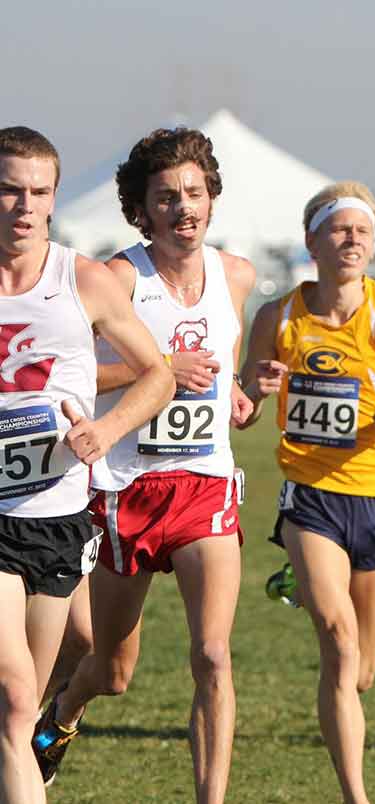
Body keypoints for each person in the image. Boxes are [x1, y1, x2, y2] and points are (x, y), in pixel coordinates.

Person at [32, 127, 256, 804]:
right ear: (142, 209)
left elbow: (225, 364)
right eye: (167, 197)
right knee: (111, 668)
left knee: (212, 654)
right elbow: (74, 373)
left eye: (194, 192)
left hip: (205, 484)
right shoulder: (121, 277)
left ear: (211, 197)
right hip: (127, 490)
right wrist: (155, 371)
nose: (184, 207)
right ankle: (65, 713)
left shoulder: (236, 275)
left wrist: (237, 389)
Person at [239, 182, 375, 804]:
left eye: (362, 229)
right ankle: (355, 795)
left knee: (359, 675)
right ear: (312, 242)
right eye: (339, 228)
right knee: (338, 635)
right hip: (311, 496)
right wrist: (259, 381)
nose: (353, 238)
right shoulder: (276, 317)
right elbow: (246, 407)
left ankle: (301, 586)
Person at [0, 126, 174, 804]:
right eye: (10, 189)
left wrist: (106, 430)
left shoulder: (85, 279)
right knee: (16, 699)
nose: (24, 205)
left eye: (38, 192)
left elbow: (156, 374)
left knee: (21, 708)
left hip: (59, 514)